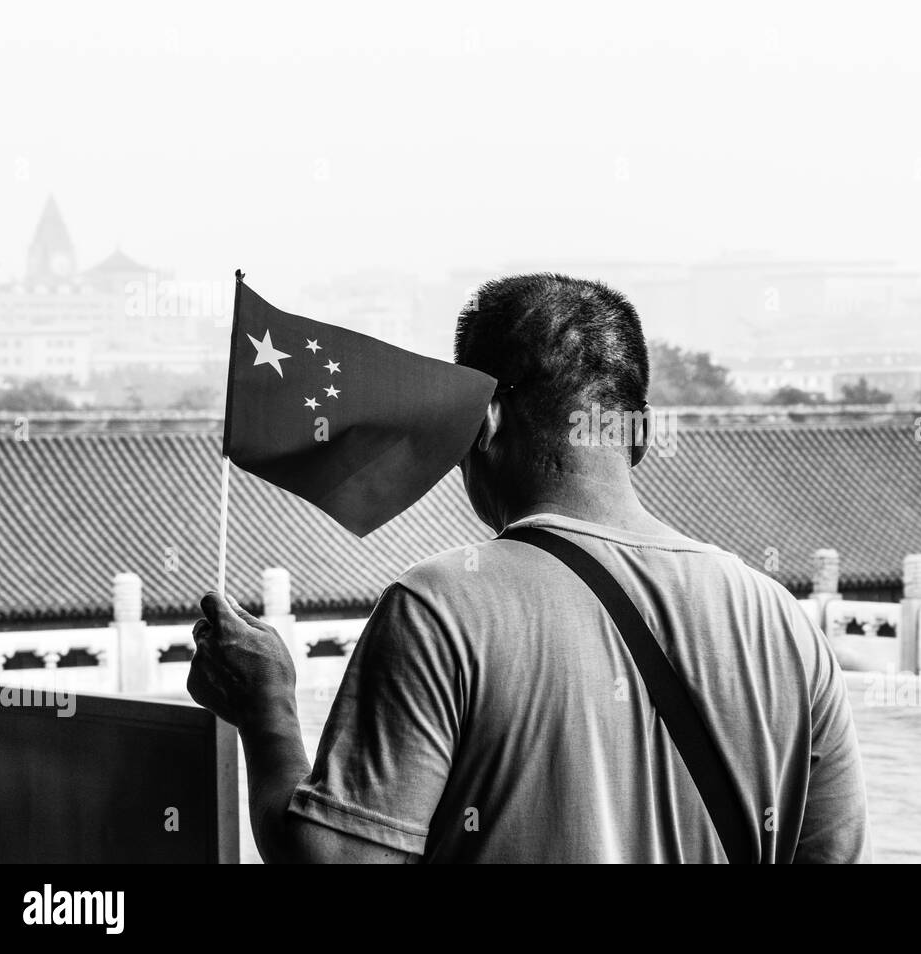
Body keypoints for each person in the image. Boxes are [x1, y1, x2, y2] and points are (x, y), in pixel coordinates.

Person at [189, 273, 871, 863]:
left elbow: (335, 862)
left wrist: (267, 710)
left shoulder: (442, 609)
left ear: (483, 421)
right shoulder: (784, 625)